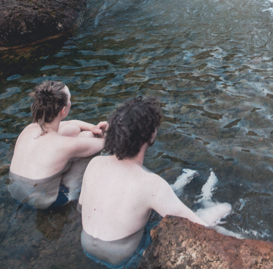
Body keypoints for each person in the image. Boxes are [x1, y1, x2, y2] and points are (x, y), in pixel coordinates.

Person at [79, 97, 231, 268]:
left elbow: (81, 205)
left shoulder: (95, 163)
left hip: (86, 246)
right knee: (223, 208)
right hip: (120, 258)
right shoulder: (151, 184)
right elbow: (197, 224)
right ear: (151, 136)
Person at [8, 81, 107, 209]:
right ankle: (72, 192)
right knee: (88, 138)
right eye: (69, 100)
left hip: (16, 193)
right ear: (63, 110)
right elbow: (105, 141)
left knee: (72, 129)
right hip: (45, 202)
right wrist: (105, 130)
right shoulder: (65, 145)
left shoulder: (29, 128)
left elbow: (70, 123)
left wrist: (93, 127)